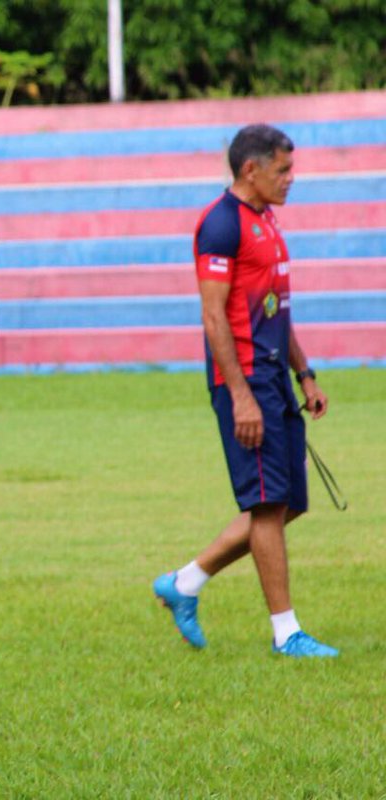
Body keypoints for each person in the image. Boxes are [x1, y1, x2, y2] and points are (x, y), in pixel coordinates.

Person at [153, 124, 337, 658]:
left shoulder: (267, 221)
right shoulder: (220, 225)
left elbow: (278, 308)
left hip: (276, 378)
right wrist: (239, 395)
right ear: (250, 169)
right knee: (266, 503)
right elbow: (214, 316)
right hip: (245, 380)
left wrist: (304, 374)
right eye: (283, 169)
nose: (290, 179)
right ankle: (287, 633)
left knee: (287, 504)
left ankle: (185, 582)